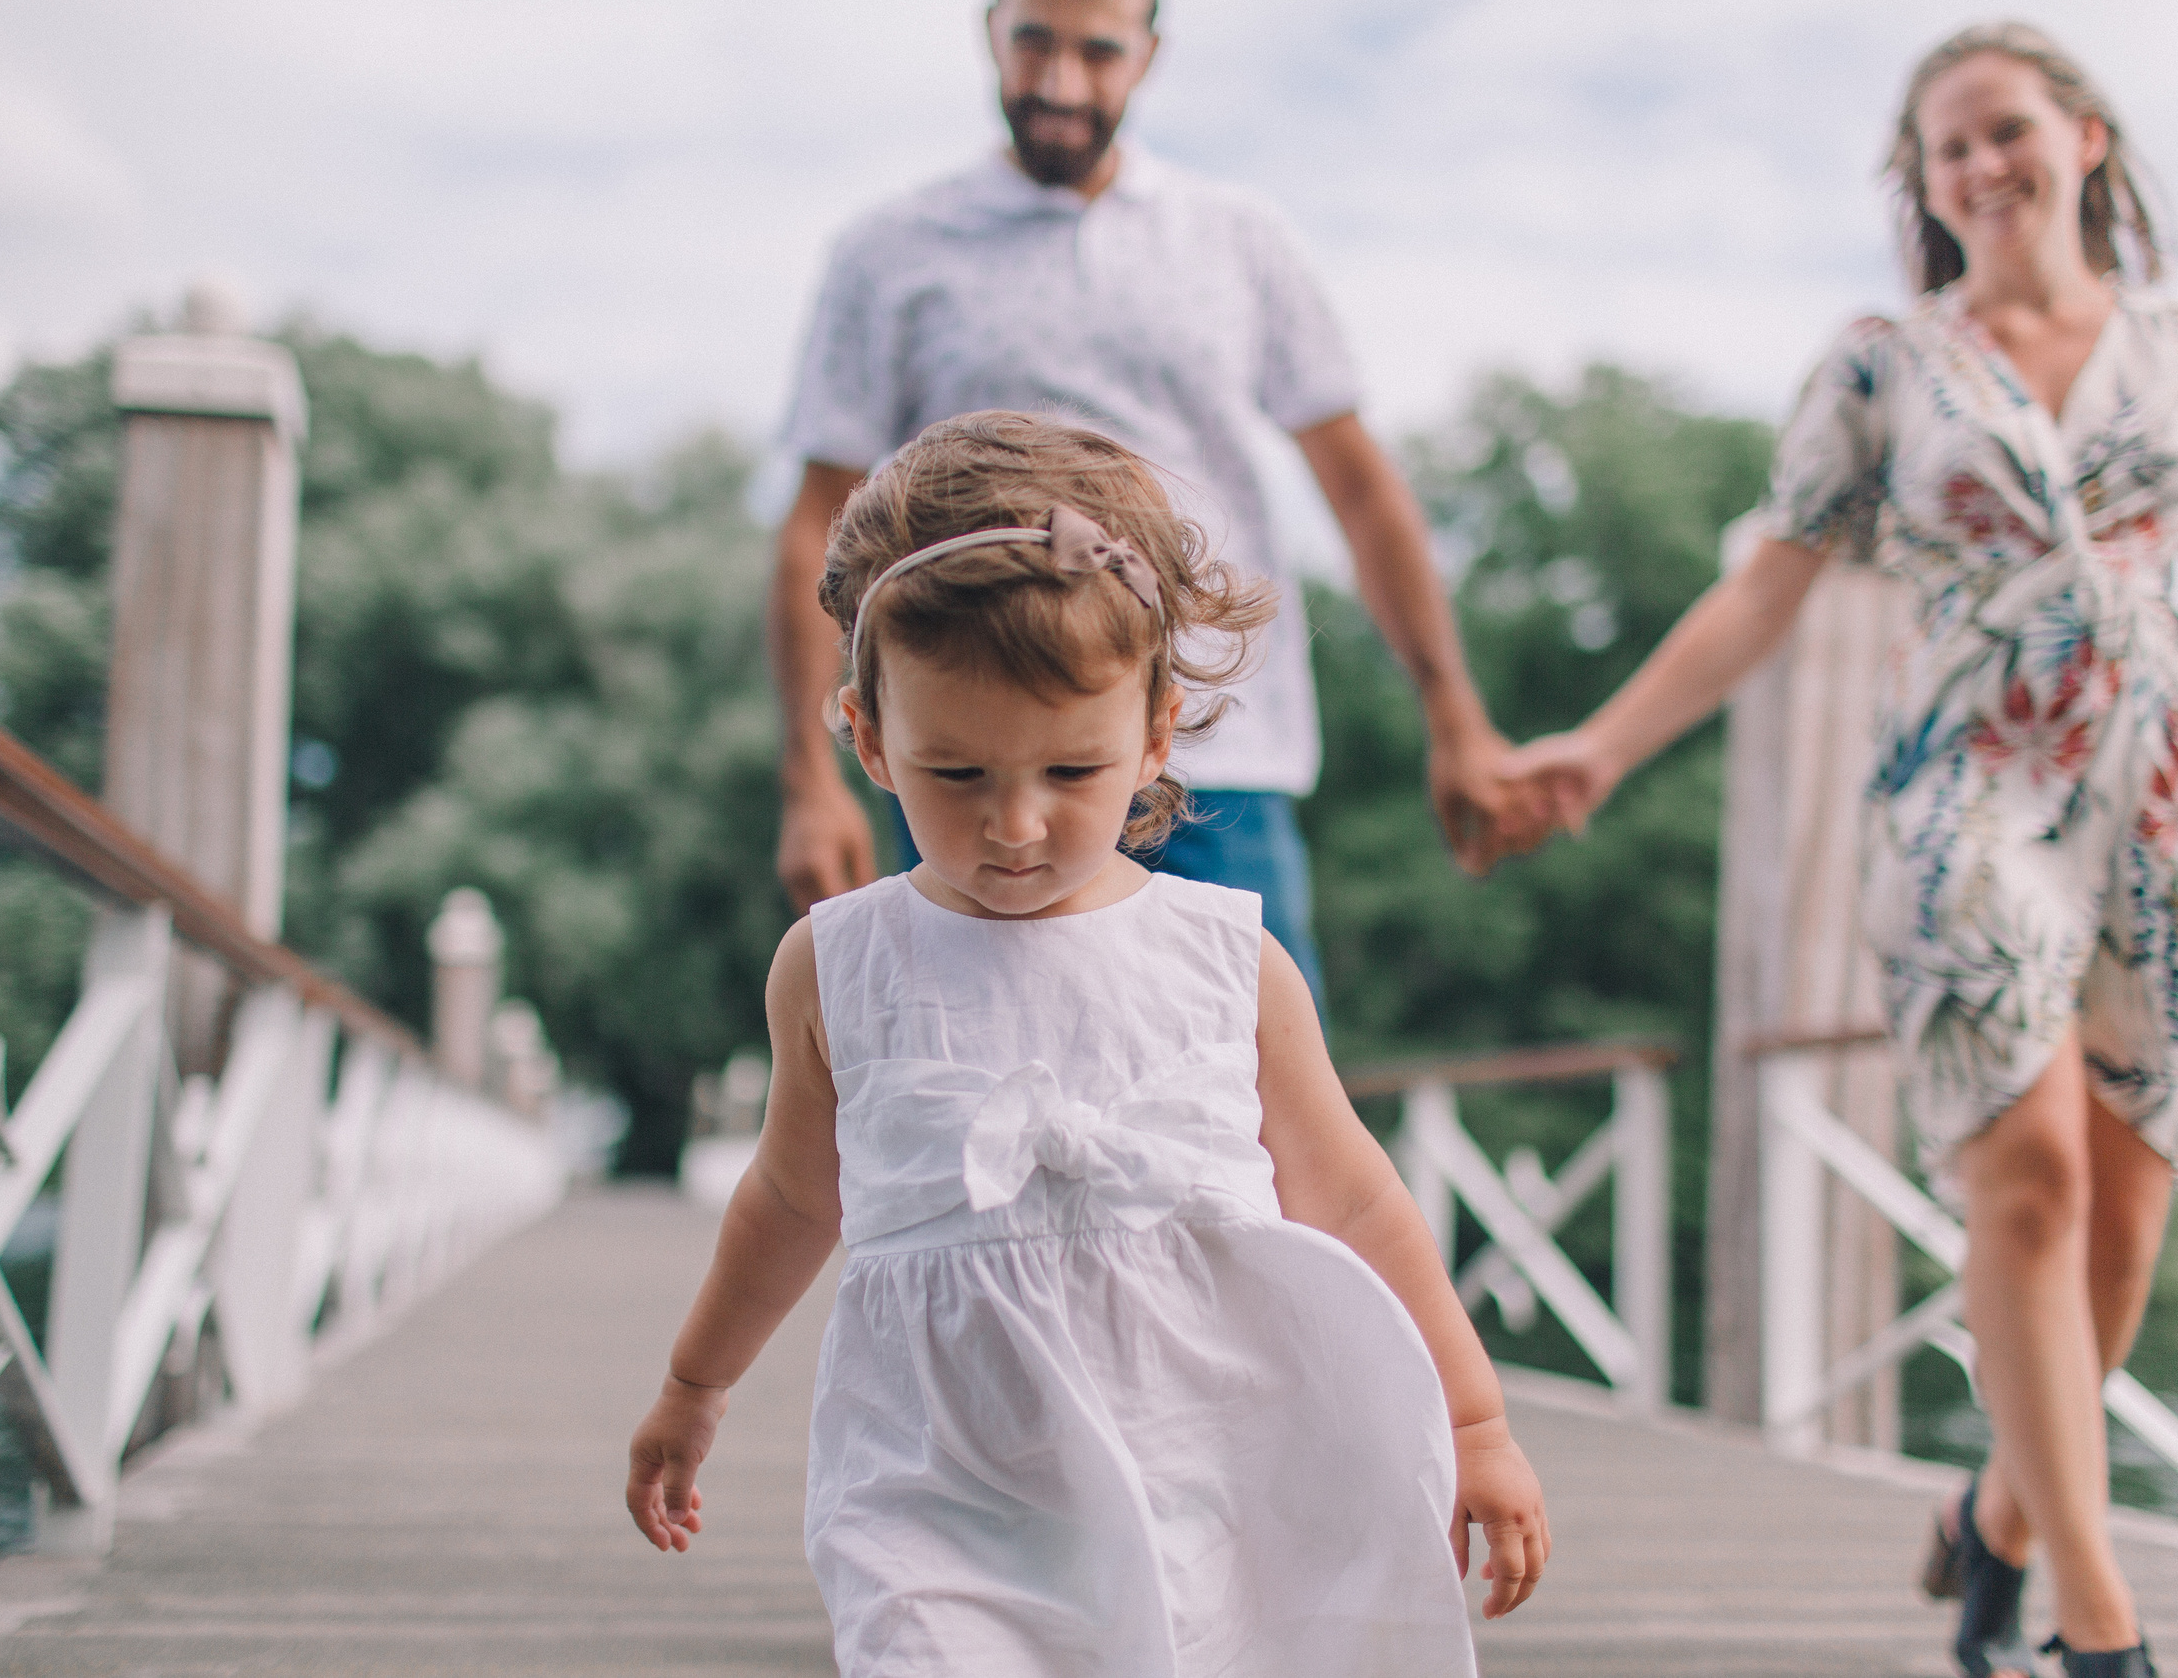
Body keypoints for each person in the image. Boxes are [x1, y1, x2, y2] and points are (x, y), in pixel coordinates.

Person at [1507, 22, 2178, 1678]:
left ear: (2084, 140)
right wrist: (1601, 739)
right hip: (1969, 783)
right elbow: (1767, 582)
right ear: (1927, 186)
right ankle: (2099, 1624)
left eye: (2005, 130)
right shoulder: (1883, 365)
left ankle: (1998, 1523)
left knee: (2121, 1227)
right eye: (1945, 149)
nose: (1980, 166)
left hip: (2162, 799)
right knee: (2023, 1178)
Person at [629, 412, 1548, 1675]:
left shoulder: (1228, 960)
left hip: (1203, 1456)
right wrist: (694, 1388)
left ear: (1158, 732)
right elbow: (793, 1193)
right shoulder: (839, 965)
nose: (1015, 824)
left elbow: (1355, 1200)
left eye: (1071, 768)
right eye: (955, 775)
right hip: (939, 1474)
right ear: (868, 738)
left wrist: (1477, 1420)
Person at [770, 0, 1546, 1000]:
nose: (1058, 82)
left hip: (1220, 772)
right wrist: (809, 776)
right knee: (971, 1097)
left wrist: (1456, 719)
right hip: (990, 766)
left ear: (1149, 55)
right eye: (1032, 43)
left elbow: (1360, 493)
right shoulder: (889, 252)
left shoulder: (1236, 239)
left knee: (1254, 1120)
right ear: (988, 33)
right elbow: (814, 528)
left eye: (1097, 53)